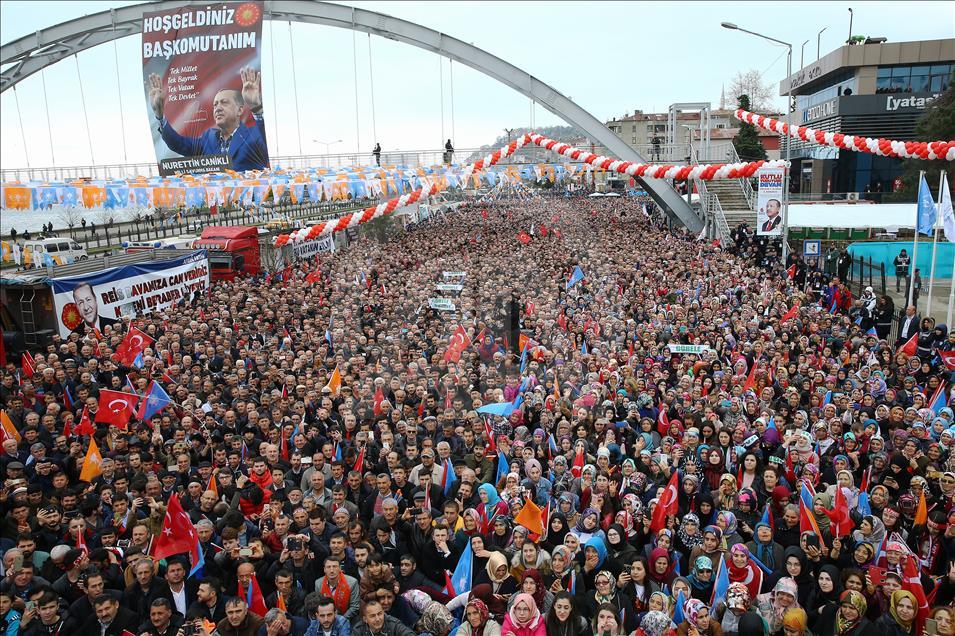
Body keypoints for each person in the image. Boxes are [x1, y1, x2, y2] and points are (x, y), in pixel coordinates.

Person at [146, 67, 268, 172]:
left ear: (240, 110)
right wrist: (160, 115)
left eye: (224, 103)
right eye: (215, 105)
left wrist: (256, 107)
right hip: (213, 199)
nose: (218, 108)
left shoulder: (252, 135)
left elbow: (263, 138)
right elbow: (177, 143)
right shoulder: (208, 139)